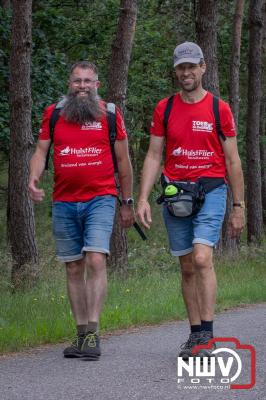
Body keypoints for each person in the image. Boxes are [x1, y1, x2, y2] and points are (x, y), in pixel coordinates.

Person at [137, 42, 245, 360]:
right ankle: (195, 335)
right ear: (176, 71)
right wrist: (142, 197)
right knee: (186, 267)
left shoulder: (218, 109)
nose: (186, 72)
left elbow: (234, 160)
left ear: (203, 68)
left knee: (201, 259)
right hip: (175, 193)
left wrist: (238, 207)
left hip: (211, 191)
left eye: (191, 66)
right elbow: (155, 154)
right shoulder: (165, 108)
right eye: (181, 68)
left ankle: (208, 336)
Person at [29, 61, 135, 360]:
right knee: (73, 266)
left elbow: (124, 162)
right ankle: (80, 335)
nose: (83, 86)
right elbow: (40, 150)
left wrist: (126, 202)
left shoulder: (110, 115)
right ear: (69, 83)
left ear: (97, 84)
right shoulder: (55, 114)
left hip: (100, 198)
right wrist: (33, 177)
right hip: (64, 201)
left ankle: (93, 332)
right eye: (77, 81)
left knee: (96, 259)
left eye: (88, 81)